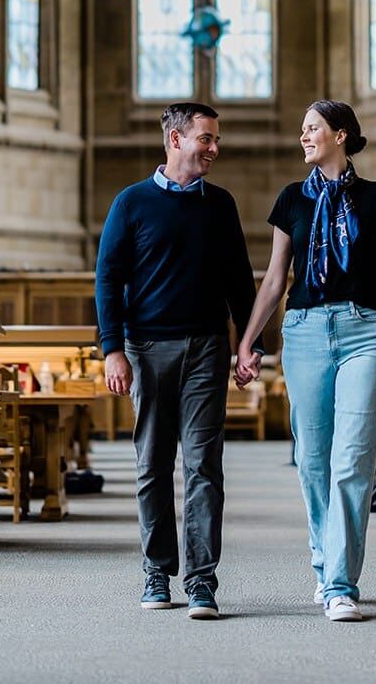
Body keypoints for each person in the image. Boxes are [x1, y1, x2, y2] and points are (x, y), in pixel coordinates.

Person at [235, 100, 376, 623]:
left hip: (367, 331)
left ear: (340, 134)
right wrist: (247, 339)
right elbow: (274, 280)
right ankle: (323, 558)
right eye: (301, 129)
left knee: (352, 459)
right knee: (313, 459)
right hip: (306, 332)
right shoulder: (292, 199)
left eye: (312, 128)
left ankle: (339, 584)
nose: (303, 137)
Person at [95, 102, 256, 620]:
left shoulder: (222, 204)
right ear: (175, 140)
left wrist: (248, 343)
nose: (214, 148)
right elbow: (108, 280)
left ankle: (203, 581)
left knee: (205, 466)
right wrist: (112, 349)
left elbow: (239, 282)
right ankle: (157, 571)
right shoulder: (131, 203)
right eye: (205, 138)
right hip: (145, 350)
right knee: (152, 465)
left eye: (216, 139)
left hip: (207, 347)